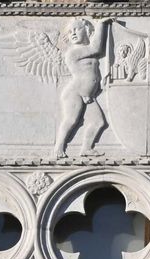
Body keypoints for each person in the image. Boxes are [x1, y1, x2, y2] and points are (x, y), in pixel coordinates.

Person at [54, 18, 110, 159]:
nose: (73, 33)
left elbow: (92, 72)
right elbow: (96, 48)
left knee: (98, 122)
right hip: (75, 93)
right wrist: (101, 25)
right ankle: (58, 148)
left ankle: (86, 149)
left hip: (88, 95)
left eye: (76, 29)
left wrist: (98, 85)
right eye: (70, 31)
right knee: (71, 120)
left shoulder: (86, 52)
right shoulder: (73, 52)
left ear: (86, 30)